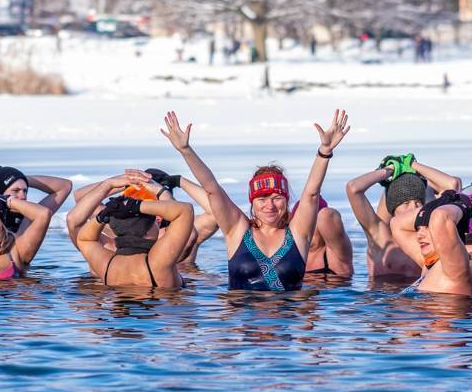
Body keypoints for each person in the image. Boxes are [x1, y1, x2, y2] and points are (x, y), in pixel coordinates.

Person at [161, 109, 349, 291]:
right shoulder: (237, 230)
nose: (270, 205)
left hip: (287, 321)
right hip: (243, 320)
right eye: (262, 199)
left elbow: (311, 194)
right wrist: (185, 150)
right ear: (252, 203)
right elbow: (212, 189)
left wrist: (324, 152)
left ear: (286, 200)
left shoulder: (299, 233)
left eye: (277, 198)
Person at [67, 168, 218, 267]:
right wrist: (176, 182)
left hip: (115, 296)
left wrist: (114, 184)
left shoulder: (109, 235)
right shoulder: (184, 232)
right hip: (173, 303)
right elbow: (80, 197)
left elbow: (79, 203)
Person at [73, 188, 194, 289]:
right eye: (154, 222)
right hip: (160, 315)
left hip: (117, 316)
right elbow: (185, 210)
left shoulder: (106, 264)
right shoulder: (159, 260)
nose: (157, 223)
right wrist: (137, 206)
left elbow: (85, 239)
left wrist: (103, 216)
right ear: (147, 232)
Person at [389, 191, 472, 296]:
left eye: (428, 227)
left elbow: (441, 216)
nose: (419, 235)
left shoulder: (454, 267)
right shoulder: (428, 264)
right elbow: (396, 223)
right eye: (418, 229)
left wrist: (462, 203)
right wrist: (431, 208)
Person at [346, 166, 421, 279]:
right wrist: (390, 170)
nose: (413, 208)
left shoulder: (428, 235)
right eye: (406, 203)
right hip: (382, 296)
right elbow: (353, 188)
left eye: (418, 203)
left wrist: (416, 168)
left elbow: (453, 185)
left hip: (423, 296)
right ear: (393, 208)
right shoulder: (380, 235)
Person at [0, 166, 72, 234]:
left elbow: (64, 186)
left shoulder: (27, 220)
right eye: (16, 190)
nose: (23, 196)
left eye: (25, 191)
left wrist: (18, 178)